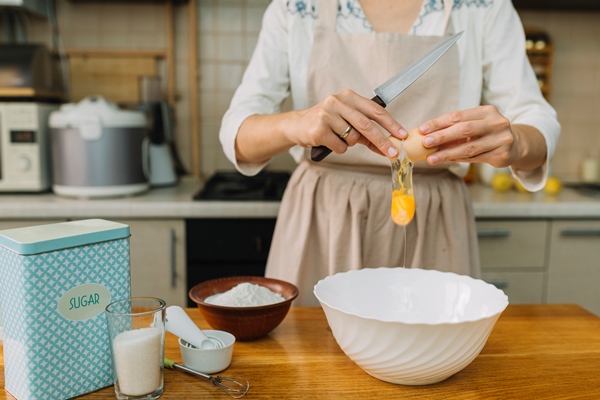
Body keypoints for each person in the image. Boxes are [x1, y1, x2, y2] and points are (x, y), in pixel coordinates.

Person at [219, 0, 560, 306]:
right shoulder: (296, 8)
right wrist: (296, 123)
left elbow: (537, 119)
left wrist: (518, 142)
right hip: (323, 220)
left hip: (435, 219)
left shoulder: (484, 7)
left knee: (430, 354)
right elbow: (237, 134)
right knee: (311, 361)